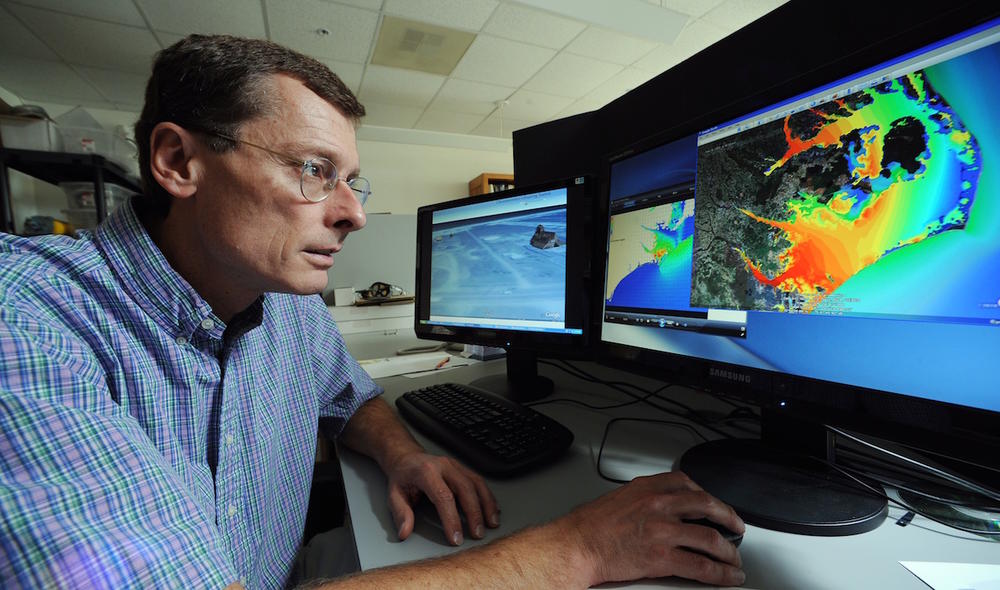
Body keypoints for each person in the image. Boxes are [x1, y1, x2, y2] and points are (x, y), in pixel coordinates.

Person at [0, 35, 745, 589]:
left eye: (355, 180)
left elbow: (349, 397)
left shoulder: (286, 306)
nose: (355, 214)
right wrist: (582, 548)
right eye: (315, 170)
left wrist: (402, 452)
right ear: (179, 163)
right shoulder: (29, 321)